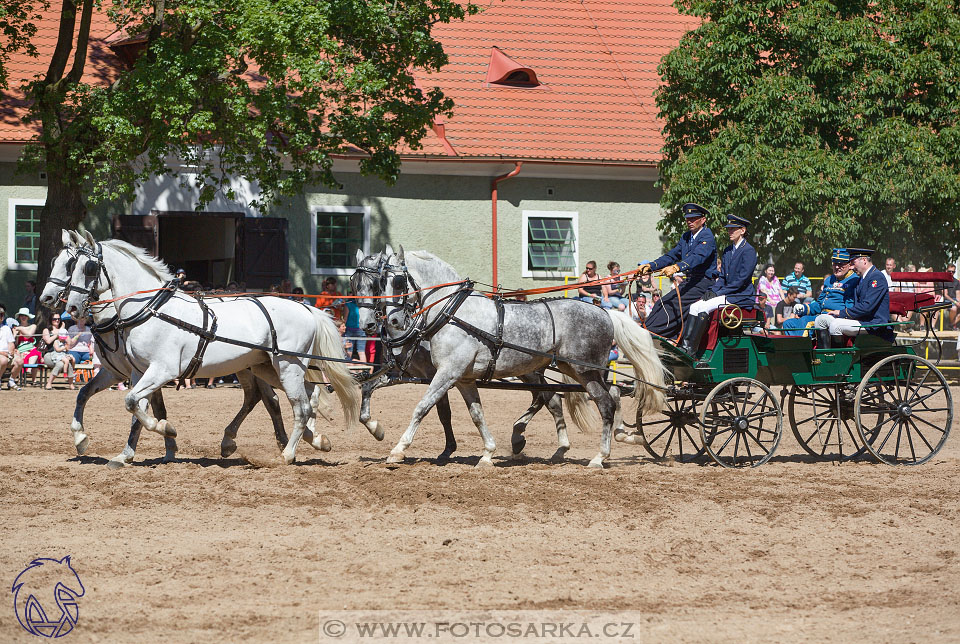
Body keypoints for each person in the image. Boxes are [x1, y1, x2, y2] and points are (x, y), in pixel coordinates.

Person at [638, 202, 719, 338]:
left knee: (673, 305)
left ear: (703, 220)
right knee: (661, 303)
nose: (689, 221)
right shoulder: (686, 237)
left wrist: (677, 267)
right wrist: (651, 266)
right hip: (691, 281)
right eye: (688, 218)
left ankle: (652, 335)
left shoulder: (707, 237)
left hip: (704, 283)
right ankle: (644, 331)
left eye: (693, 218)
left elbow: (697, 257)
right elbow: (671, 255)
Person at [682, 214, 757, 354]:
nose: (730, 232)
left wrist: (718, 293)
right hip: (728, 293)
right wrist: (712, 290)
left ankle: (694, 349)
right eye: (729, 229)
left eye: (733, 229)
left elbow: (741, 280)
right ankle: (685, 345)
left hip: (740, 295)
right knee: (694, 306)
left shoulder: (749, 251)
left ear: (743, 230)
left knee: (704, 307)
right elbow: (722, 277)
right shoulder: (728, 251)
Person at [814, 248, 892, 345]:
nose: (851, 267)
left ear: (864, 260)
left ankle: (837, 358)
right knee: (821, 319)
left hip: (874, 323)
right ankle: (824, 356)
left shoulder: (876, 277)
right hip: (860, 320)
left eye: (853, 263)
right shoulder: (861, 278)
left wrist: (841, 313)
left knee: (836, 325)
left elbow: (867, 307)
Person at [783, 249, 860, 337]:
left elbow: (851, 307)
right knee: (789, 323)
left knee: (806, 323)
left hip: (836, 319)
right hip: (820, 316)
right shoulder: (829, 280)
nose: (837, 267)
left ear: (849, 265)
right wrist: (804, 308)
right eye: (835, 264)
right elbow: (820, 304)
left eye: (841, 264)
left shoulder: (854, 280)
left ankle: (803, 349)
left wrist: (841, 314)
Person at [42, 313, 76, 389]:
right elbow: (48, 341)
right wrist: (58, 333)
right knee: (61, 364)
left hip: (62, 354)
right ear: (51, 320)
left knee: (68, 364)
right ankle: (49, 384)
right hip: (50, 355)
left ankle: (71, 385)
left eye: (58, 319)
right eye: (54, 319)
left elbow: (69, 343)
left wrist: (64, 332)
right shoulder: (46, 330)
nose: (57, 320)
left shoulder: (63, 330)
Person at [0, 317, 23, 390]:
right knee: (3, 360)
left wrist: (11, 351)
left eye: (1, 315)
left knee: (20, 361)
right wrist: (2, 353)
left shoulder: (6, 328)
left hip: (7, 354)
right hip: (2, 355)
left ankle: (11, 381)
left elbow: (11, 342)